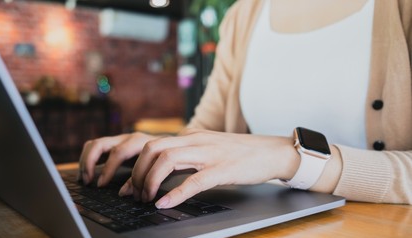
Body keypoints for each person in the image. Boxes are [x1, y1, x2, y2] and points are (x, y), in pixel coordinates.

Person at [79, 0, 412, 209]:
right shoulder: (243, 14)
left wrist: (292, 158)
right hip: (265, 231)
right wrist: (165, 147)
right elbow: (204, 128)